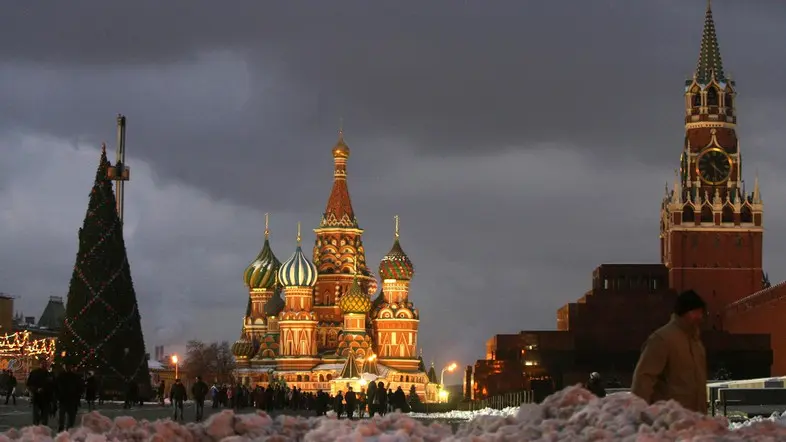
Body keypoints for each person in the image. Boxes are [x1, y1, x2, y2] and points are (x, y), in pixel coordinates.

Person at [631, 290, 708, 413]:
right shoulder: (662, 339)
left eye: (701, 312)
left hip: (695, 420)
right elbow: (644, 378)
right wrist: (639, 414)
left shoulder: (696, 343)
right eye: (694, 312)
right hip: (669, 418)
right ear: (683, 312)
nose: (699, 317)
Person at [54, 364, 83, 432]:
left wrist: (77, 395)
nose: (68, 368)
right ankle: (63, 429)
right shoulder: (61, 376)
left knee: (70, 417)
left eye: (69, 367)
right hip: (64, 399)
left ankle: (67, 429)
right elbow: (56, 387)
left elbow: (80, 387)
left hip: (71, 399)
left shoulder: (74, 377)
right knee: (63, 416)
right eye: (67, 367)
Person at [26, 361, 54, 426]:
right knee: (36, 417)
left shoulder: (49, 374)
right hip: (36, 397)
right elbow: (29, 384)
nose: (44, 365)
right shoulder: (34, 373)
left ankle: (42, 430)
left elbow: (52, 386)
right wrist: (36, 389)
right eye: (43, 363)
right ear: (40, 364)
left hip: (46, 398)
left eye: (45, 364)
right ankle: (36, 430)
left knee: (44, 417)